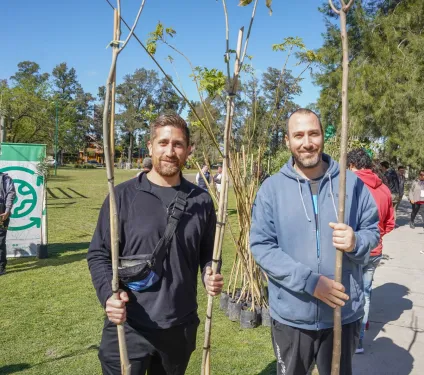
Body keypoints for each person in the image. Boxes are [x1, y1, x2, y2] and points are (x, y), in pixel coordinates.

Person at [87, 113, 224, 375]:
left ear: (188, 150)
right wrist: (108, 295)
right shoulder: (122, 197)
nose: (170, 151)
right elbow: (98, 254)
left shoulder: (201, 201)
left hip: (179, 328)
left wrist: (210, 274)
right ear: (150, 146)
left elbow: (209, 254)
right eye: (163, 143)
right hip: (128, 326)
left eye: (178, 144)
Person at [250, 108, 380, 375]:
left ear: (323, 137)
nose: (307, 142)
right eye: (298, 135)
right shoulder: (271, 190)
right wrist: (310, 282)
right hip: (293, 315)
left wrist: (356, 241)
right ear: (287, 141)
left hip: (342, 313)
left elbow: (372, 231)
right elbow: (262, 246)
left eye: (313, 133)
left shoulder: (351, 184)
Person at [347, 149, 394, 354]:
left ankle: (348, 339)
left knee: (347, 293)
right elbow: (390, 223)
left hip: (352, 248)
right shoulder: (384, 189)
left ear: (351, 165)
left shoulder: (348, 184)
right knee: (365, 293)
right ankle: (359, 340)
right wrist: (377, 235)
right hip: (375, 249)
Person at [0, 172, 16, 276]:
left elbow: (11, 193)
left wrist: (7, 210)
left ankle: (1, 266)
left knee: (0, 240)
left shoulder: (5, 179)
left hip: (1, 213)